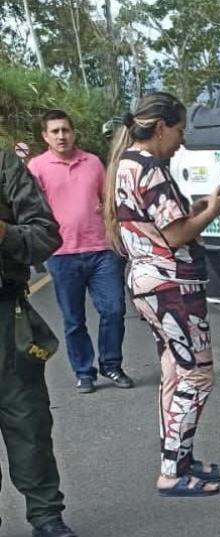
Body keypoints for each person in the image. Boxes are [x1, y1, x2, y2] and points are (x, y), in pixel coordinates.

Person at [104, 92, 220, 496]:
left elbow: (158, 224)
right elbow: (176, 235)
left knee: (175, 372)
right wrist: (213, 210)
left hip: (148, 282)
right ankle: (173, 471)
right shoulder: (150, 168)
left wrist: (193, 209)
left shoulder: (124, 165)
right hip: (172, 284)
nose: (182, 141)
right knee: (197, 373)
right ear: (160, 127)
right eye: (179, 131)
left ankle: (178, 458)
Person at [0, 150, 78, 537]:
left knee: (27, 419)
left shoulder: (4, 166)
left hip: (5, 319)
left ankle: (46, 514)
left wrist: (4, 233)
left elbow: (46, 234)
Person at [28, 109, 132, 394]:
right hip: (62, 254)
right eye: (55, 131)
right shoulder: (37, 168)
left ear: (73, 132)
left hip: (102, 250)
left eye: (65, 130)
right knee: (74, 319)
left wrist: (117, 234)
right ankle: (84, 372)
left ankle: (111, 364)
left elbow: (107, 201)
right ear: (45, 137)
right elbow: (31, 211)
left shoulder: (93, 163)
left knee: (114, 310)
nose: (61, 136)